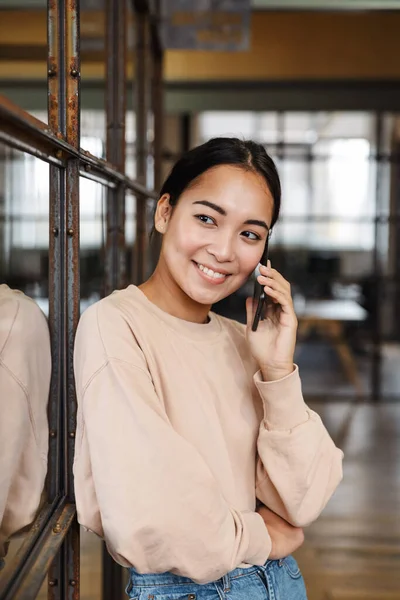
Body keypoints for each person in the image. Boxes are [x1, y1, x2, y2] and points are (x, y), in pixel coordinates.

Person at [73, 138, 344, 599]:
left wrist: (278, 371)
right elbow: (156, 513)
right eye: (206, 219)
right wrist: (262, 537)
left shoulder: (245, 343)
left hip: (281, 582)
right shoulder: (114, 326)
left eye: (250, 234)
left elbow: (305, 497)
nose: (224, 250)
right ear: (164, 213)